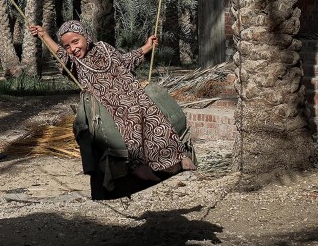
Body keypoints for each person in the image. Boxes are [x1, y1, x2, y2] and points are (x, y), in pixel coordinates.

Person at [28, 20, 195, 187]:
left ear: (86, 37)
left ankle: (178, 155)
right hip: (106, 98)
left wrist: (147, 47)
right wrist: (44, 35)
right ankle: (139, 165)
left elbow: (124, 61)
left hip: (129, 89)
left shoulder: (104, 48)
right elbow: (59, 54)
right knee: (130, 115)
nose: (72, 48)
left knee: (151, 111)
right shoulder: (73, 62)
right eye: (67, 46)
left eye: (75, 41)